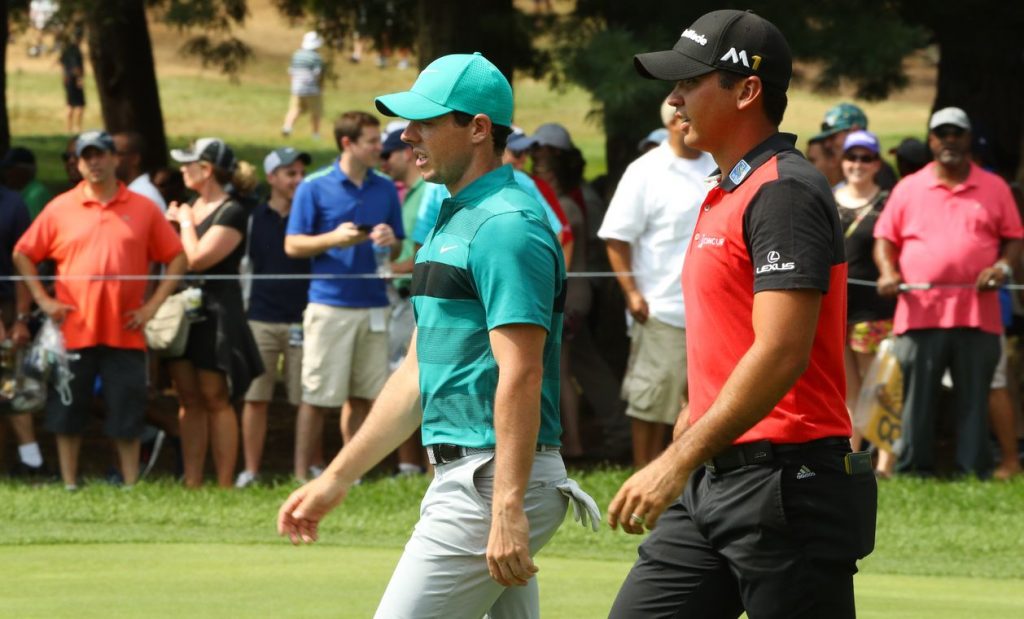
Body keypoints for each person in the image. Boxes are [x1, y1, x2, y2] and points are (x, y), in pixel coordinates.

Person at [278, 52, 598, 618]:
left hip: (490, 481)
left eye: (425, 122)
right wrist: (336, 479)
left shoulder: (505, 226)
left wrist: (506, 506)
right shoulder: (456, 214)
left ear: (478, 128)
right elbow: (417, 372)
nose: (407, 136)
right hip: (475, 476)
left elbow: (521, 372)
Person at [607, 11, 877, 617]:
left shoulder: (783, 192)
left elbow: (781, 351)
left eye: (689, 82)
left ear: (747, 90)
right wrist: (691, 424)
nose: (673, 98)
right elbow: (734, 334)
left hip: (788, 487)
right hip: (717, 476)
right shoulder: (729, 187)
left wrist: (673, 461)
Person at [13, 130, 186, 490]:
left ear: (114, 159)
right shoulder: (61, 207)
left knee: (127, 409)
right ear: (78, 163)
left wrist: (152, 307)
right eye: (86, 156)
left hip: (126, 329)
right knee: (67, 410)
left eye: (101, 154)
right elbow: (23, 253)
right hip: (74, 329)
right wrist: (44, 301)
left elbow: (176, 257)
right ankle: (71, 483)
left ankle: (128, 483)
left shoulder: (140, 207)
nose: (94, 162)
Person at [874, 107, 1024, 477]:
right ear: (932, 141)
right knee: (916, 399)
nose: (950, 141)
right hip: (919, 309)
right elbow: (884, 238)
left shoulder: (994, 187)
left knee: (974, 397)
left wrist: (1002, 268)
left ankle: (973, 469)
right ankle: (912, 470)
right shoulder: (909, 187)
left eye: (957, 133)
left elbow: (1014, 238)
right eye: (942, 134)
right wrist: (888, 271)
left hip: (978, 311)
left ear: (969, 139)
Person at [284, 111, 403, 482]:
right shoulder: (314, 186)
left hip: (374, 304)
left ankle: (354, 474)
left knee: (365, 396)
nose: (379, 147)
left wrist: (390, 241)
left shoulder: (385, 188)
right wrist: (333, 238)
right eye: (371, 141)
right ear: (347, 143)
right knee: (318, 395)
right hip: (329, 304)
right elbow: (292, 244)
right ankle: (304, 475)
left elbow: (398, 247)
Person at [599, 98, 715, 468]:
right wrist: (632, 292)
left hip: (712, 310)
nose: (688, 123)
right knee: (651, 402)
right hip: (662, 308)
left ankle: (688, 479)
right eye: (683, 118)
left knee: (702, 401)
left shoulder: (718, 164)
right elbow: (616, 237)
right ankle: (644, 473)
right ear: (670, 122)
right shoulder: (645, 170)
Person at [166, 137, 265, 488]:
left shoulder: (232, 210)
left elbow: (197, 259)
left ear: (206, 169)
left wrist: (184, 223)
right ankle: (192, 482)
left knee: (215, 397)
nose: (182, 169)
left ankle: (223, 485)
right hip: (186, 314)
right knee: (187, 397)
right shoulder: (190, 206)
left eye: (188, 163)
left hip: (219, 313)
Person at [235, 147, 312, 488]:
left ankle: (306, 469)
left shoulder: (311, 214)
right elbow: (245, 268)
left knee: (306, 399)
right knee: (256, 398)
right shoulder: (253, 217)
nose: (297, 180)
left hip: (304, 317)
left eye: (299, 173)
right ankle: (251, 471)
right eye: (289, 173)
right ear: (271, 178)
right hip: (261, 317)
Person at [832, 130, 897, 475]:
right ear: (842, 161)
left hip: (875, 311)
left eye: (865, 158)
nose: (858, 164)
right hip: (836, 310)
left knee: (881, 386)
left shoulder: (888, 202)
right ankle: (855, 456)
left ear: (877, 163)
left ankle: (885, 461)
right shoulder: (829, 197)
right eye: (852, 157)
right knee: (848, 389)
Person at [379, 127, 428, 475]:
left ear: (406, 152)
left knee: (422, 382)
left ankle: (429, 467)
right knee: (402, 377)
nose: (382, 162)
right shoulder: (405, 193)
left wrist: (385, 268)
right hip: (401, 298)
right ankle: (409, 465)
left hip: (422, 297)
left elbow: (427, 253)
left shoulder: (430, 190)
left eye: (387, 154)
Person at [0, 186, 46, 476]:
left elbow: (23, 261)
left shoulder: (13, 203)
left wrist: (20, 318)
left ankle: (32, 462)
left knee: (10, 385)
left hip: (7, 308)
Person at [811, 102, 897, 190]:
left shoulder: (877, 172)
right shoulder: (844, 169)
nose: (827, 144)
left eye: (832, 137)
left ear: (855, 131)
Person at [281, 32, 325, 139]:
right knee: (316, 112)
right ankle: (315, 134)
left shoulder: (297, 55)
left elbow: (291, 72)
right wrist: (321, 86)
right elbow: (318, 74)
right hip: (312, 90)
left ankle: (287, 127)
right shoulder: (316, 57)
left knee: (295, 108)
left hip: (297, 88)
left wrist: (294, 85)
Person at [113, 131, 167, 212]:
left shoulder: (143, 194)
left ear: (135, 158)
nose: (110, 159)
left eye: (116, 154)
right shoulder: (133, 191)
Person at [1, 147, 53, 220]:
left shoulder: (36, 195)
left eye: (8, 168)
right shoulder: (22, 191)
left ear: (23, 170)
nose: (5, 173)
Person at [59, 28, 86, 134]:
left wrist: (64, 75)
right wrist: (79, 79)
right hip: (74, 80)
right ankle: (77, 127)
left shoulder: (67, 50)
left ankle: (68, 128)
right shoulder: (76, 51)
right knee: (80, 105)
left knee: (70, 104)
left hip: (67, 79)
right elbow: (76, 68)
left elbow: (62, 63)